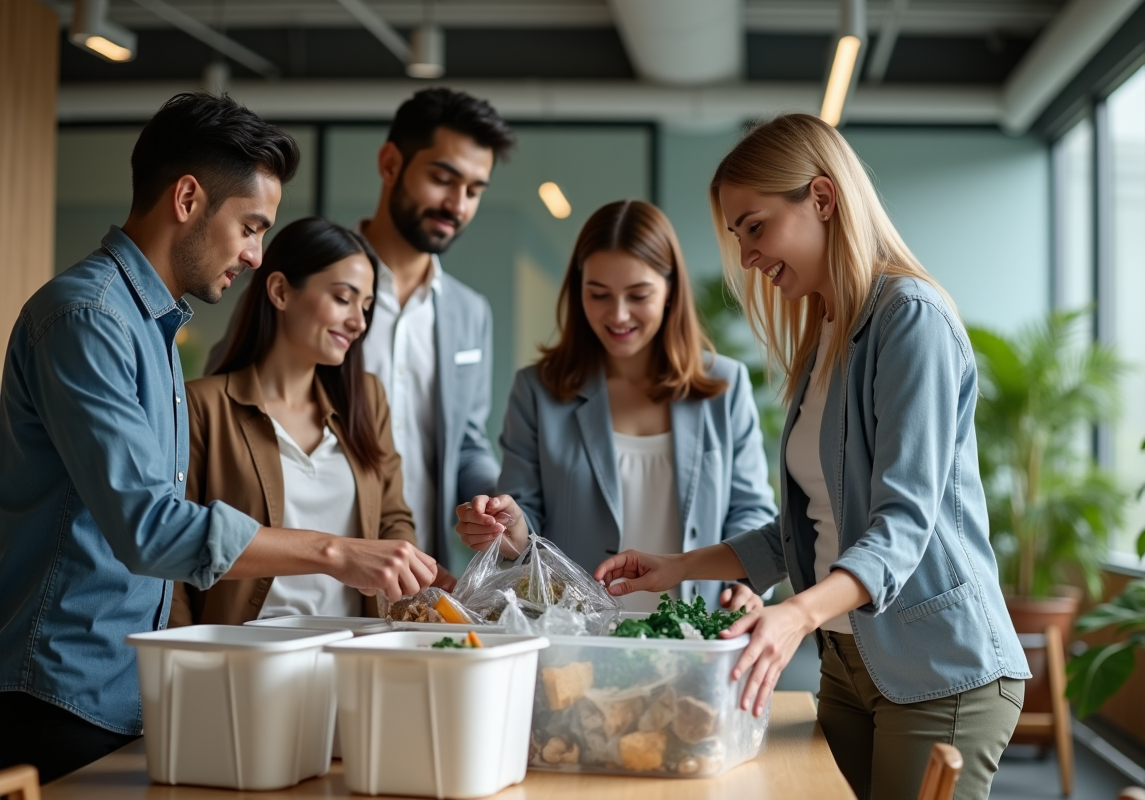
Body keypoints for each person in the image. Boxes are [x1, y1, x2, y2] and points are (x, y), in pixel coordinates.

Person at [0, 93, 437, 783]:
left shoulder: (153, 331)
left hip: (126, 693)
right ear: (187, 198)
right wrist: (334, 552)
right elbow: (150, 529)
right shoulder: (87, 318)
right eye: (251, 226)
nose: (258, 256)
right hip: (62, 696)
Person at [592, 115, 1030, 800]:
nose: (747, 258)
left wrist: (794, 613)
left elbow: (903, 525)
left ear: (822, 199)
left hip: (940, 667)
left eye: (756, 226)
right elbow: (801, 532)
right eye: (738, 237)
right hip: (851, 661)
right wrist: (676, 568)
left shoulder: (909, 318)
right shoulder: (825, 333)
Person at [208, 88, 515, 570]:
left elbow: (466, 443)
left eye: (474, 190)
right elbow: (232, 405)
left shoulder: (470, 313)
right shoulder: (311, 284)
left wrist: (493, 501)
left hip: (410, 567)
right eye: (442, 178)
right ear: (391, 163)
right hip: (294, 563)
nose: (457, 204)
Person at [454, 200, 777, 613]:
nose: (618, 314)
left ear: (670, 291)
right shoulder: (537, 390)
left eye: (638, 294)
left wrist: (746, 584)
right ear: (578, 291)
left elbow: (749, 509)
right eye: (599, 294)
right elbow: (524, 530)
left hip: (696, 637)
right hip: (576, 638)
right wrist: (508, 524)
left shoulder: (725, 386)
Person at [170, 217, 444, 626]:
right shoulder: (203, 407)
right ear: (280, 291)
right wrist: (183, 662)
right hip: (241, 660)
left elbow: (393, 519)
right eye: (343, 298)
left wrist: (406, 570)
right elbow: (174, 557)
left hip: (354, 652)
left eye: (366, 306)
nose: (359, 322)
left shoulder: (367, 400)